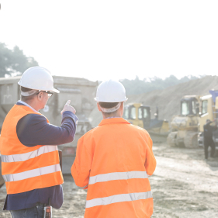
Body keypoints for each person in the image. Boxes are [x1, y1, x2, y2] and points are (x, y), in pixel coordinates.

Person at [0, 66, 78, 217]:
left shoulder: (16, 115)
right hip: (31, 200)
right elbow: (66, 134)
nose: (49, 97)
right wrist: (68, 115)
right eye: (49, 93)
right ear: (40, 94)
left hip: (23, 197)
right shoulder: (31, 120)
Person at [71, 80, 156, 218]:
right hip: (137, 213)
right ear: (122, 104)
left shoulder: (88, 139)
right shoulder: (142, 135)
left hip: (102, 214)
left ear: (98, 106)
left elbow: (81, 180)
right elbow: (150, 168)